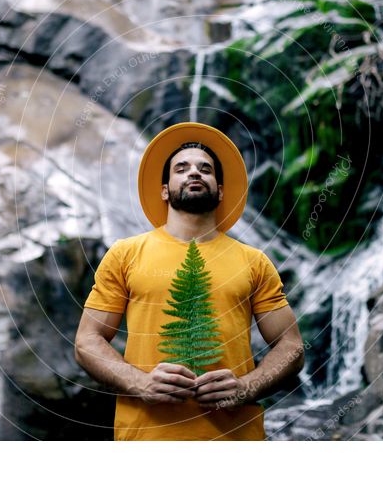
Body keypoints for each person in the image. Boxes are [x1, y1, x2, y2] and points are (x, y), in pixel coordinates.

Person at [74, 122, 304, 440]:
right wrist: (141, 383)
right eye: (181, 168)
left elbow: (291, 346)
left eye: (205, 169)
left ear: (220, 189)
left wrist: (246, 388)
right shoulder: (125, 254)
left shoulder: (254, 262)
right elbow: (87, 341)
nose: (194, 173)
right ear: (165, 190)